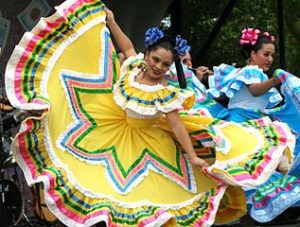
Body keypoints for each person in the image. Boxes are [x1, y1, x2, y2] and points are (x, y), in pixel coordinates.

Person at [4, 1, 295, 226]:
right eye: (155, 59)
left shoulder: (164, 92)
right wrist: (112, 22)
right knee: (97, 179)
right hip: (115, 128)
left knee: (169, 179)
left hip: (151, 138)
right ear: (147, 56)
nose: (158, 67)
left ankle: (259, 158)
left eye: (166, 65)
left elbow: (178, 126)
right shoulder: (132, 68)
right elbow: (127, 46)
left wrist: (193, 155)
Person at [208, 28, 300, 224]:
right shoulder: (250, 71)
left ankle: (257, 213)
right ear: (252, 54)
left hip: (253, 126)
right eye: (265, 54)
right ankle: (256, 212)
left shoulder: (258, 74)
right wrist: (276, 80)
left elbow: (265, 104)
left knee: (256, 169)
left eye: (272, 55)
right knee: (250, 169)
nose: (269, 59)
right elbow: (256, 91)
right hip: (240, 126)